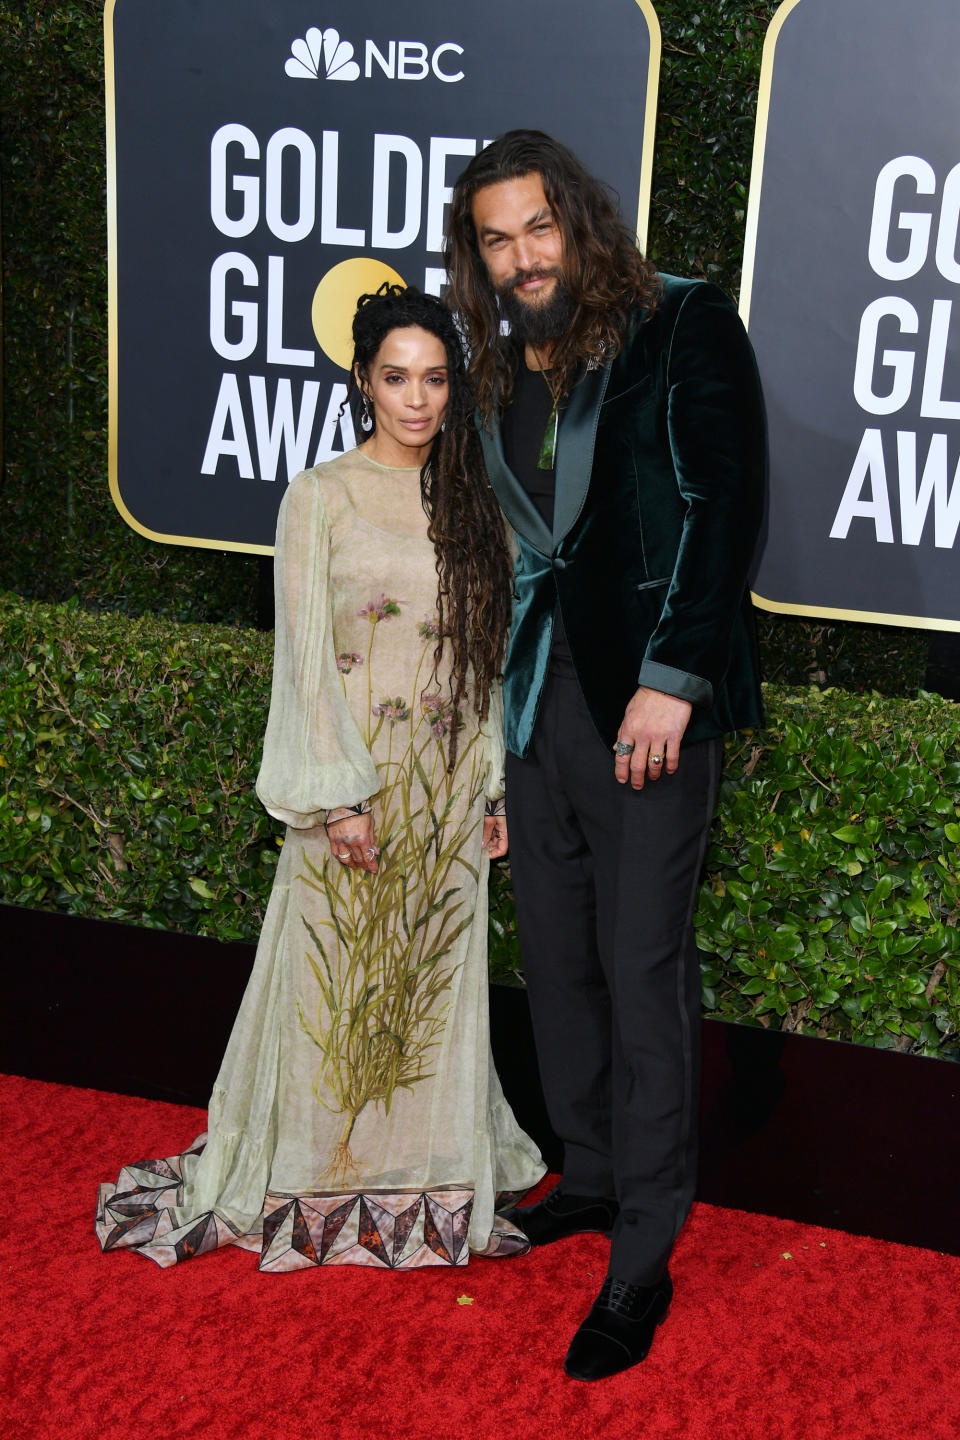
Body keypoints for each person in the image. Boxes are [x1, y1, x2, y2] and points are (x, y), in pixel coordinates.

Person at [95, 284, 545, 1271]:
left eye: (435, 379)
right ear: (364, 380)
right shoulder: (321, 496)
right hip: (359, 789)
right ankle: (317, 1169)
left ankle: (426, 1166)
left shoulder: (478, 506)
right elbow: (301, 662)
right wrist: (336, 795)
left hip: (446, 792)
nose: (417, 399)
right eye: (397, 377)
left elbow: (492, 660)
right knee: (332, 969)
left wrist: (490, 785)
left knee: (427, 979)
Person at [445, 131, 765, 1377]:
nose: (525, 257)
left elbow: (723, 505)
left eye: (540, 227)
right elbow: (520, 557)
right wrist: (496, 734)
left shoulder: (684, 324)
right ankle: (591, 1172)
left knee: (641, 966)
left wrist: (671, 682)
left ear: (580, 221)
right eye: (497, 239)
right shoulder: (492, 369)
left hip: (647, 710)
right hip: (540, 706)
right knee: (563, 954)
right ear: (479, 257)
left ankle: (645, 1249)